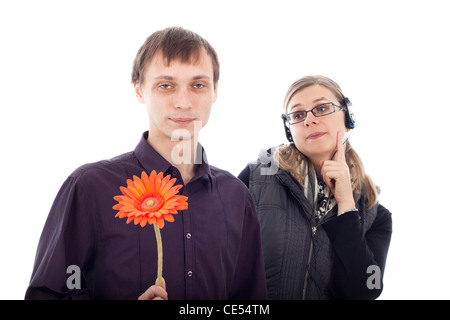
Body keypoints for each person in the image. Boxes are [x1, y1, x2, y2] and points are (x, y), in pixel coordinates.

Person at [25, 27, 267, 300]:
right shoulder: (89, 187)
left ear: (215, 92)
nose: (183, 102)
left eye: (198, 85)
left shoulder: (236, 197)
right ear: (139, 90)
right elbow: (47, 294)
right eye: (166, 85)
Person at [239, 75, 392, 299]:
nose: (309, 120)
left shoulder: (375, 214)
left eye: (321, 108)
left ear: (347, 118)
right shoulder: (254, 179)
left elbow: (366, 290)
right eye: (298, 115)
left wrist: (347, 207)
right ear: (290, 130)